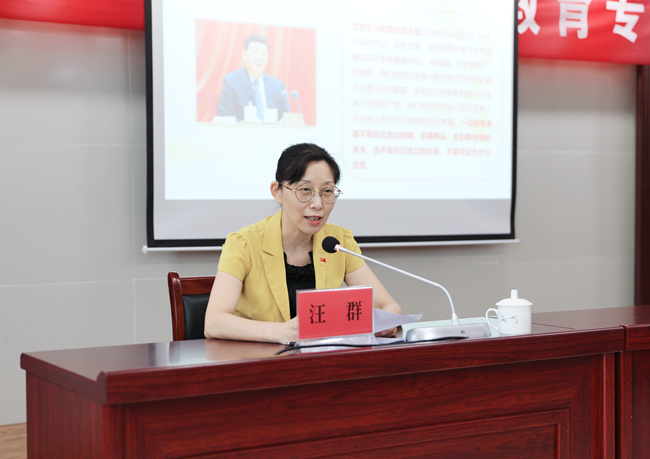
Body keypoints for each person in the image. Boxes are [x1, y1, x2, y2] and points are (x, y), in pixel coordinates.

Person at [204, 143, 402, 343]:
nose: (318, 204)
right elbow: (213, 322)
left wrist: (388, 321)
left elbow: (388, 306)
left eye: (327, 191)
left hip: (320, 357)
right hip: (256, 357)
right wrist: (279, 332)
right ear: (277, 191)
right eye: (305, 190)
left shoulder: (338, 242)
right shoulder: (243, 244)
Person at [218, 34, 291, 122]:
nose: (259, 58)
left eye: (263, 54)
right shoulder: (231, 81)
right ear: (244, 53)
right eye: (254, 52)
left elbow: (288, 118)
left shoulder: (278, 86)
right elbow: (225, 116)